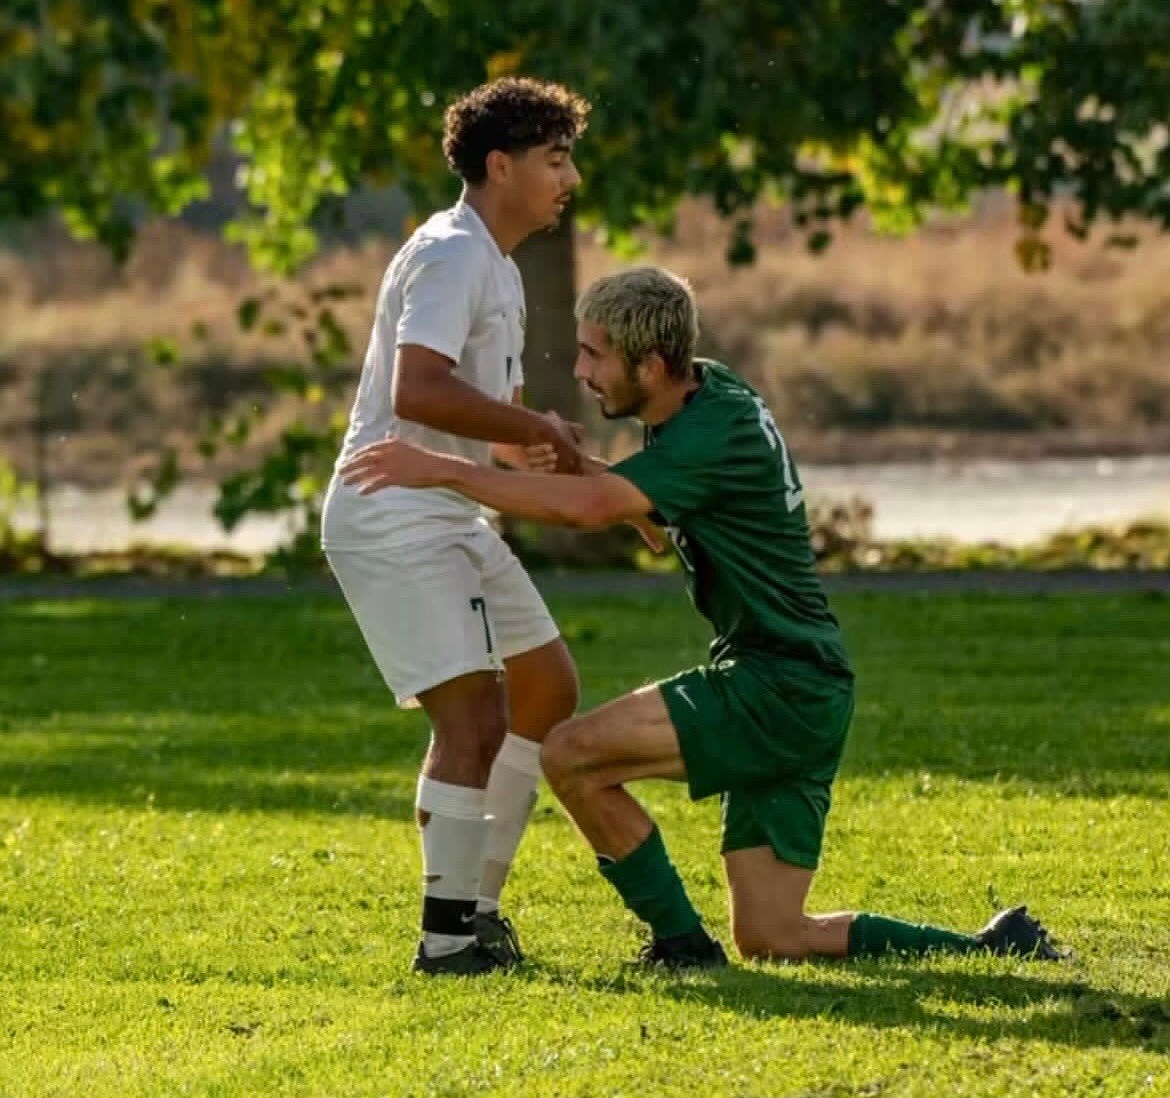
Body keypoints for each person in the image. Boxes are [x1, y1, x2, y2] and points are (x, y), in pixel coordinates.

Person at [340, 265, 1066, 971]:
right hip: (810, 692)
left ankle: (682, 947)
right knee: (776, 935)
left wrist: (445, 469)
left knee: (570, 755)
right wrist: (571, 465)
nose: (581, 370)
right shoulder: (703, 392)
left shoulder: (706, 432)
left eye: (595, 355)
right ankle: (990, 946)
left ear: (652, 365)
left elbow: (597, 509)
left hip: (775, 684)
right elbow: (634, 500)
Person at [321, 76, 591, 976]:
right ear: (500, 165)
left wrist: (537, 454)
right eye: (556, 160)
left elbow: (480, 408)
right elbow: (420, 391)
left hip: (448, 502)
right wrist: (532, 430)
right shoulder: (448, 254)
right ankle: (448, 941)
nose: (570, 179)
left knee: (547, 686)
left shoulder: (497, 266)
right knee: (473, 717)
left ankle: (477, 905)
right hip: (392, 508)